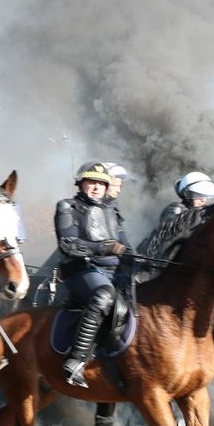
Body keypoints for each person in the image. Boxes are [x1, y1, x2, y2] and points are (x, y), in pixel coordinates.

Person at [55, 161, 131, 388]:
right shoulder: (67, 207)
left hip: (112, 271)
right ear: (81, 183)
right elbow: (68, 245)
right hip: (81, 270)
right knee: (104, 295)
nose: (96, 187)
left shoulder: (112, 211)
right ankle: (76, 360)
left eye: (101, 183)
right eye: (92, 182)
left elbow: (126, 246)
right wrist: (103, 248)